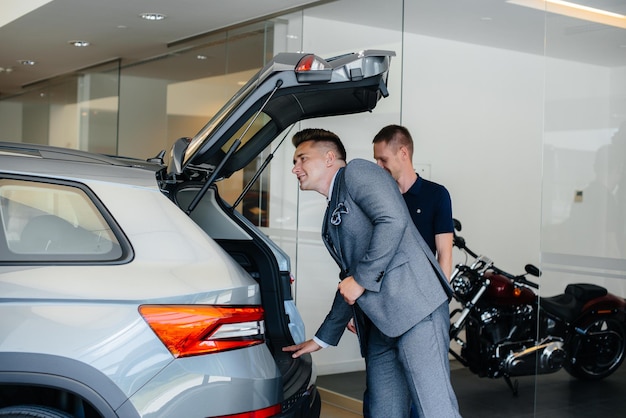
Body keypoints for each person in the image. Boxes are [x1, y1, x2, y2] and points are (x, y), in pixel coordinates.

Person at [283, 128, 461, 417]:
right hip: (380, 321)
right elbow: (349, 280)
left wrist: (361, 280)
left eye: (302, 158)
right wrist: (323, 337)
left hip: (416, 310)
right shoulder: (331, 214)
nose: (295, 168)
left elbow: (392, 220)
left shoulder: (357, 172)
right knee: (383, 411)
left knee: (434, 410)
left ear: (330, 158)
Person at [372, 124, 454, 278]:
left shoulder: (437, 195)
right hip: (385, 291)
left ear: (403, 153)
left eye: (383, 160)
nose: (378, 166)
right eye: (376, 160)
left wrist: (443, 297)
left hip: (421, 291)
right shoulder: (378, 197)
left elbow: (445, 253)